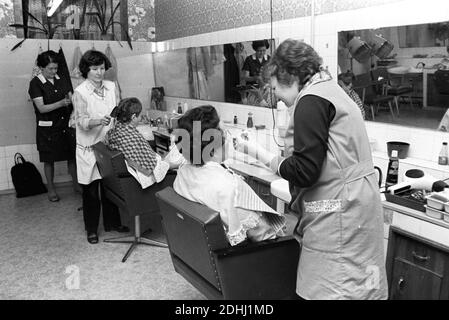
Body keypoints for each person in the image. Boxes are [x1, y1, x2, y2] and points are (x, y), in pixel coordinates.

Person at [236, 39, 388, 299]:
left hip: (338, 209)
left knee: (329, 287)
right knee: (363, 283)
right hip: (360, 204)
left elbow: (305, 171)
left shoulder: (310, 100)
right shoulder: (332, 90)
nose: (279, 100)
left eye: (275, 89)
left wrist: (256, 153)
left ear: (289, 75)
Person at [173, 105, 286, 246]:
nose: (228, 137)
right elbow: (260, 233)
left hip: (200, 248)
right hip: (258, 254)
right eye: (226, 132)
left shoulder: (183, 171)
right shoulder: (227, 186)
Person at [72, 50, 129, 244]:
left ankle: (113, 223)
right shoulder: (80, 92)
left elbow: (120, 110)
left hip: (109, 145)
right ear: (86, 70)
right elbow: (80, 121)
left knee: (111, 187)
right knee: (90, 191)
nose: (99, 73)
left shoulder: (113, 87)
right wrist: (98, 121)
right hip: (89, 147)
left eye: (102, 68)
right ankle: (91, 229)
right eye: (94, 69)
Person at [28, 50, 79, 202]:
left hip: (65, 125)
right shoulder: (35, 83)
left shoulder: (61, 79)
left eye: (55, 68)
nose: (53, 71)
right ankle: (51, 189)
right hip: (47, 128)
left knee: (72, 157)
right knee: (49, 160)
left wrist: (75, 108)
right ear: (41, 68)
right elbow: (42, 108)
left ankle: (77, 185)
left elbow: (72, 98)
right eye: (50, 68)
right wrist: (60, 103)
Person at [104, 97, 174, 183]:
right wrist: (171, 165)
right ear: (133, 117)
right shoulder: (132, 137)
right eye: (140, 115)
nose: (141, 118)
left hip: (126, 178)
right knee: (181, 163)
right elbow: (153, 167)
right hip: (139, 179)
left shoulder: (114, 131)